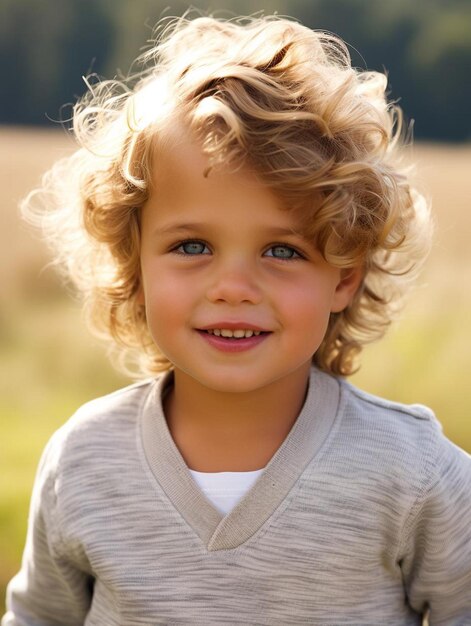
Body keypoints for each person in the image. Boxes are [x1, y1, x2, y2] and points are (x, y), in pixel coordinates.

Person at [3, 14, 471, 626]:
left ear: (345, 276)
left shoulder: (416, 475)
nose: (232, 288)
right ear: (134, 263)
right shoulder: (84, 460)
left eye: (283, 251)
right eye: (192, 245)